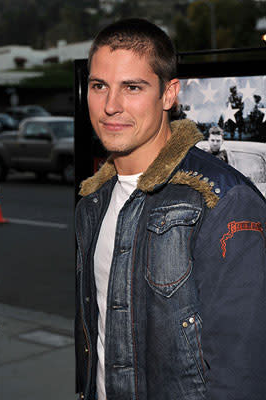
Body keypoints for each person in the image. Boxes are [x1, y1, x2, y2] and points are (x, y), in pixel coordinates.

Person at [75, 18, 266, 400]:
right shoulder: (92, 202)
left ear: (168, 94)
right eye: (99, 86)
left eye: (132, 87)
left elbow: (240, 373)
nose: (111, 106)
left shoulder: (224, 202)